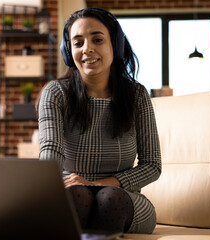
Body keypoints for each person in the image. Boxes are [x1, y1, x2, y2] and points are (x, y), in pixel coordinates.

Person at [38, 7, 161, 234]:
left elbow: (152, 166)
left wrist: (98, 184)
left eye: (97, 39)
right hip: (70, 191)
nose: (87, 49)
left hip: (126, 198)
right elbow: (50, 150)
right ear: (68, 51)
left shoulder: (137, 95)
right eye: (78, 43)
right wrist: (50, 185)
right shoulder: (55, 93)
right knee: (77, 195)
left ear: (115, 44)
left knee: (109, 198)